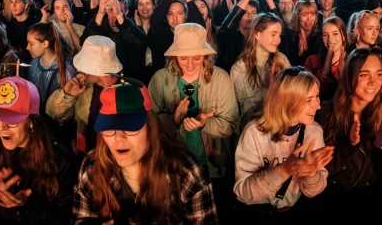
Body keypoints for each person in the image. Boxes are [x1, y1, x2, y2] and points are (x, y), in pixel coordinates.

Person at [72, 78, 219, 224]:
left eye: (130, 127)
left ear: (151, 129)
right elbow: (80, 219)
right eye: (109, 128)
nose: (118, 138)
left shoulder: (185, 174)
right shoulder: (92, 166)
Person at [149, 23, 239, 206]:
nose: (190, 65)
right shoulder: (160, 79)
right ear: (174, 56)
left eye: (197, 58)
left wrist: (204, 124)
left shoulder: (221, 78)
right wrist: (173, 120)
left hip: (213, 165)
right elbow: (149, 125)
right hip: (172, 163)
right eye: (183, 58)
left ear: (206, 56)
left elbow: (232, 124)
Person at [233, 66, 333, 220]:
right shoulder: (254, 133)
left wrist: (311, 173)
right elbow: (244, 193)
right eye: (308, 100)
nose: (318, 105)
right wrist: (283, 171)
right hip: (257, 212)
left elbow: (314, 191)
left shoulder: (313, 132)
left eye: (317, 96)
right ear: (286, 101)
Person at [0, 76, 73, 224]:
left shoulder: (57, 157)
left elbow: (66, 216)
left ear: (32, 123)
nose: (1, 127)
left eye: (11, 120)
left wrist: (27, 206)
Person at [314, 48, 382, 221]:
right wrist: (349, 144)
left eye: (379, 74)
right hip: (339, 199)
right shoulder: (327, 113)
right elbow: (324, 170)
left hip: (372, 194)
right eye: (364, 75)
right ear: (349, 76)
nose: (374, 82)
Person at [45, 36, 123, 155]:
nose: (78, 69)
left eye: (84, 66)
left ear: (99, 71)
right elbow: (52, 113)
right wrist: (67, 95)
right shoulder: (84, 87)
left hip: (110, 158)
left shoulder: (126, 92)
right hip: (84, 155)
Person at [230, 13, 290, 131]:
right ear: (257, 34)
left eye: (279, 35)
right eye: (273, 34)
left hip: (280, 127)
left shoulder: (282, 60)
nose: (278, 40)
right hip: (252, 129)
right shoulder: (239, 69)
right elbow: (237, 111)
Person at [25, 22, 77, 113]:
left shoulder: (67, 69)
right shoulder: (33, 64)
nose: (27, 47)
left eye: (31, 44)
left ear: (45, 44)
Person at [304, 16, 348, 101]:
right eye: (325, 35)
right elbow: (306, 94)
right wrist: (323, 72)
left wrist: (342, 75)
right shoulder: (312, 60)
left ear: (343, 36)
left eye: (335, 34)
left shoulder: (352, 61)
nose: (330, 39)